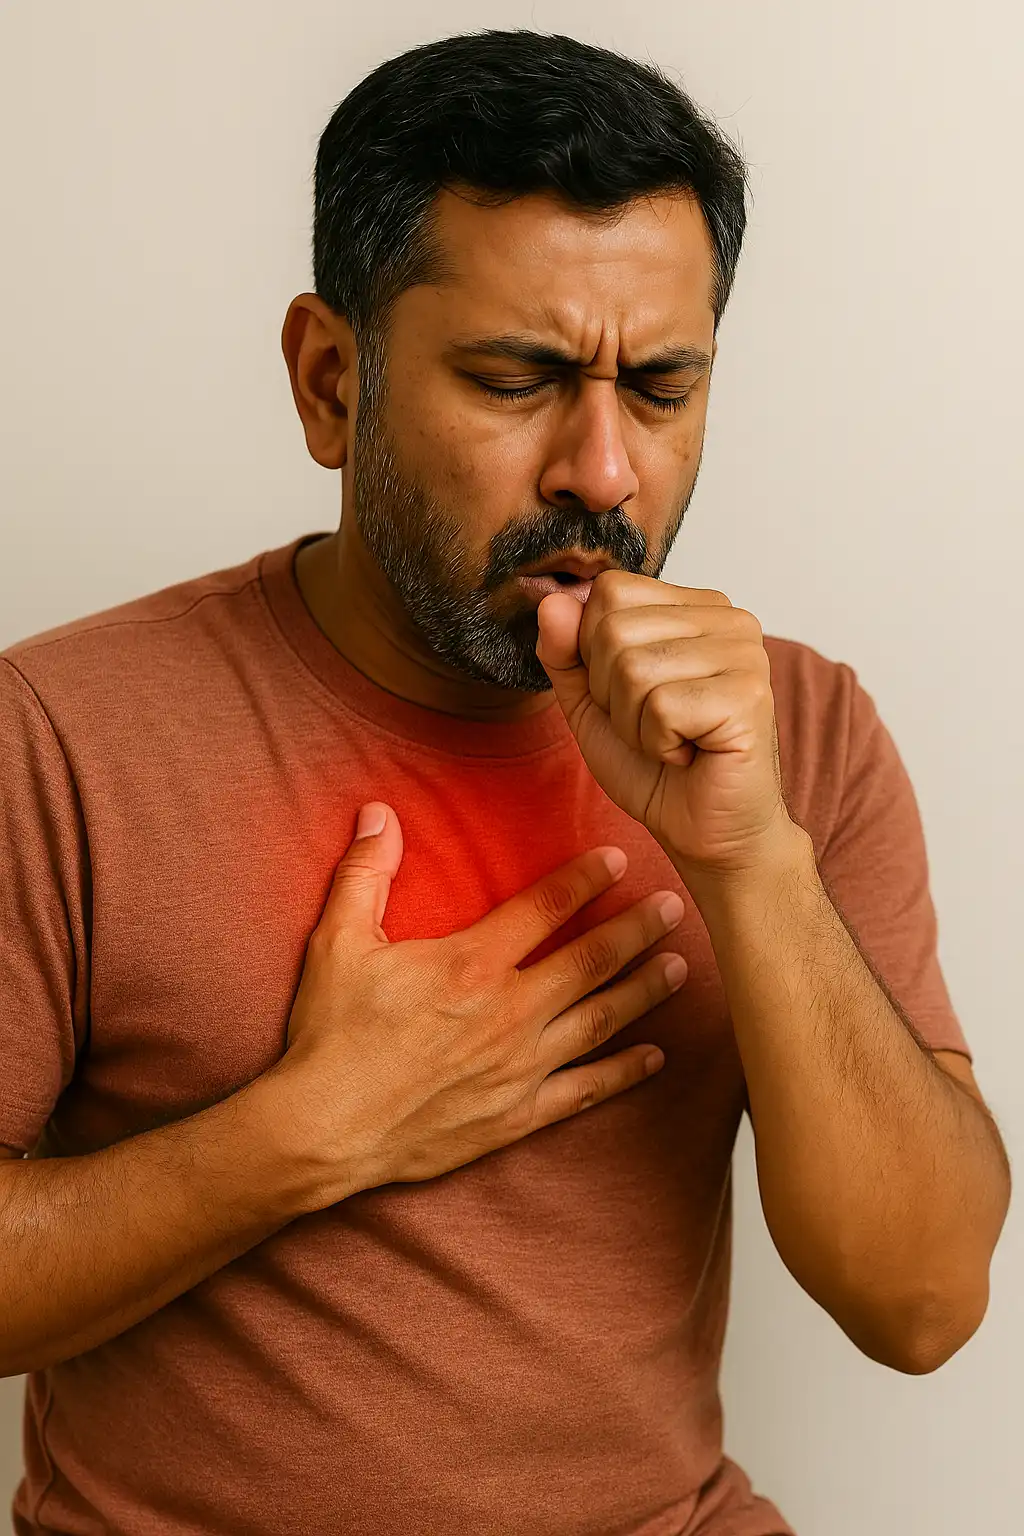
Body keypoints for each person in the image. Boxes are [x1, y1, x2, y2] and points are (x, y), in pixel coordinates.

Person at [0, 27, 1009, 1536]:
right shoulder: (59, 731)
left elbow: (923, 1304)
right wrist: (308, 1130)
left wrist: (753, 859)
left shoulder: (799, 727)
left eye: (661, 389)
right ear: (333, 381)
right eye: (520, 377)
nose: (603, 471)